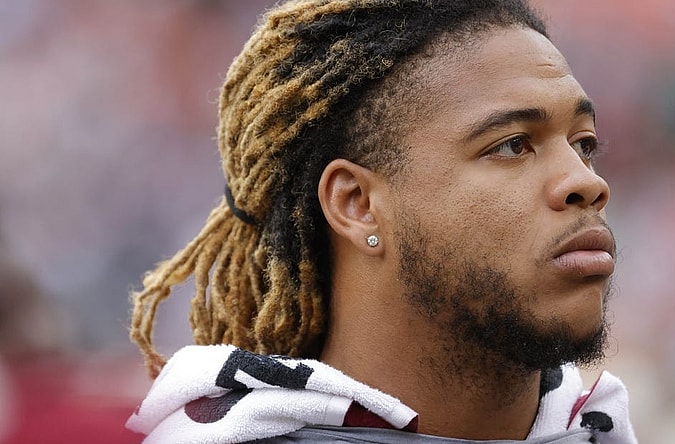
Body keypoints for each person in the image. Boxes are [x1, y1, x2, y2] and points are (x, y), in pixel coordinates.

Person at [127, 1, 638, 442]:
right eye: (511, 145)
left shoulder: (602, 426)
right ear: (357, 204)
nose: (587, 182)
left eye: (584, 144)